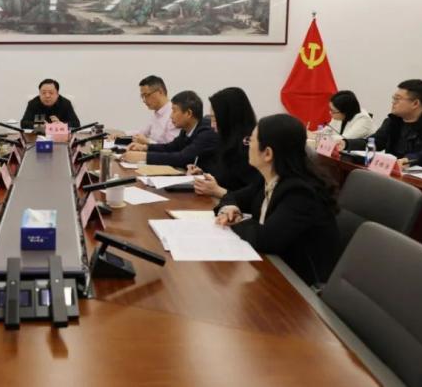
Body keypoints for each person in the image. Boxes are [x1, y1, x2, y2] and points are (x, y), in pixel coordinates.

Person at [214, 114, 340, 286]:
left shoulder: (300, 193)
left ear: (267, 153)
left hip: (300, 284)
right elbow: (232, 196)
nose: (247, 145)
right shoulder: (269, 177)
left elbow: (266, 239)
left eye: (250, 140)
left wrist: (237, 221)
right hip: (275, 265)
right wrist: (228, 208)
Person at [342, 79, 422, 158]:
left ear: (415, 103)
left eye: (397, 99)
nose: (393, 102)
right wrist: (346, 143)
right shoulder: (394, 120)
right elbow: (375, 143)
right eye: (393, 98)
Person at [188, 87, 261, 197]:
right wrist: (203, 175)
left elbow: (254, 196)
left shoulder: (249, 146)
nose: (212, 125)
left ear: (228, 117)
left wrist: (217, 191)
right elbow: (226, 178)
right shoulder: (227, 140)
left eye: (215, 119)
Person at [122, 90, 218, 167]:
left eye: (174, 111)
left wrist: (144, 157)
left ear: (188, 113)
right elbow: (170, 148)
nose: (171, 116)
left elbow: (182, 158)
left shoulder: (207, 131)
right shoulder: (186, 130)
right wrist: (145, 148)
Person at [127, 75, 180, 145]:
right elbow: (143, 133)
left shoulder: (173, 113)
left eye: (146, 95)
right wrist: (122, 134)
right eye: (142, 96)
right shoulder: (157, 113)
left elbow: (172, 147)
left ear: (160, 92)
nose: (144, 100)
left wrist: (148, 142)